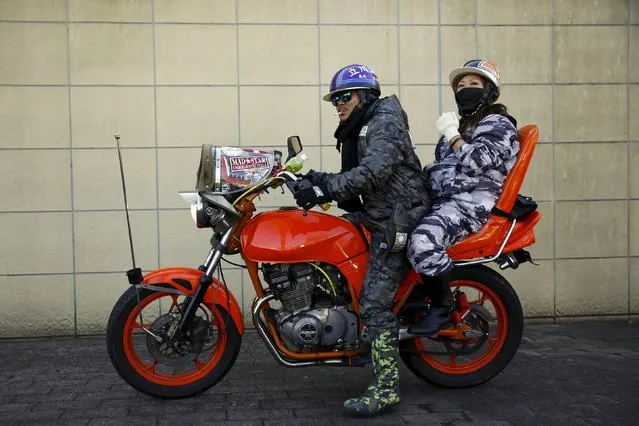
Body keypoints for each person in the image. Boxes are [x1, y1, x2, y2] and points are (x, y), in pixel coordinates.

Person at [293, 64, 430, 416]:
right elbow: (355, 176)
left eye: (345, 96)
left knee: (373, 304)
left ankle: (386, 388)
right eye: (335, 98)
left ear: (366, 95)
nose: (338, 104)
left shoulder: (383, 123)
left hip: (399, 218)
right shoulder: (363, 123)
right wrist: (310, 177)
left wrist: (322, 187)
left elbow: (372, 174)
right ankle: (351, 327)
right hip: (379, 212)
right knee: (326, 236)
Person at [407, 59, 520, 335]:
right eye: (460, 85)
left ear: (489, 91)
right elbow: (444, 166)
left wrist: (452, 135)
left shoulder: (498, 123)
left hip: (469, 205)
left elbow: (477, 161)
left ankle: (442, 307)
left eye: (473, 84)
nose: (464, 89)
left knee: (422, 242)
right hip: (443, 202)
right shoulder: (464, 125)